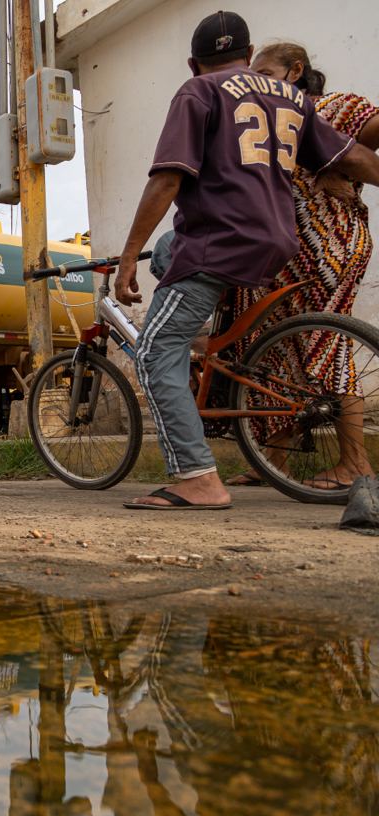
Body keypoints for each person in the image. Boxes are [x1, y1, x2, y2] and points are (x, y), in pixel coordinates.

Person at [113, 11, 379, 510]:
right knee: (169, 253)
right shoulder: (294, 99)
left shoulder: (199, 92)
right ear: (247, 52)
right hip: (277, 242)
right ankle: (203, 345)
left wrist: (128, 257)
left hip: (221, 240)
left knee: (154, 349)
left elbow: (167, 179)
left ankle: (197, 477)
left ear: (195, 63)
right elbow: (352, 156)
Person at [223, 42, 379, 489]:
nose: (258, 82)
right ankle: (273, 462)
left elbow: (369, 131)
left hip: (328, 246)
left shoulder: (329, 107)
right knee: (275, 352)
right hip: (280, 254)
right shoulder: (269, 124)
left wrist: (341, 168)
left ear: (295, 71)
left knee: (329, 342)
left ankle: (355, 465)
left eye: (266, 72)